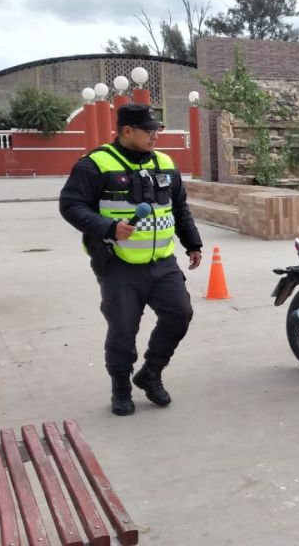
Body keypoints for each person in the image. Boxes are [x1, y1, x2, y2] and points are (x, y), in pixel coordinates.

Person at [59, 104, 203, 417]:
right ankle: (120, 388)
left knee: (180, 314)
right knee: (123, 329)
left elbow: (179, 207)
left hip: (162, 263)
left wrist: (192, 243)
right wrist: (108, 228)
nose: (155, 136)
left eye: (156, 130)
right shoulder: (95, 164)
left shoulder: (164, 163)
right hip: (118, 265)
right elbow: (71, 205)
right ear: (126, 131)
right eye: (148, 131)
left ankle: (151, 373)